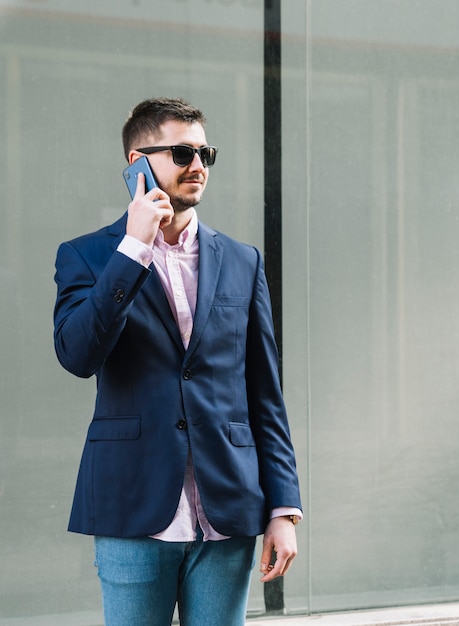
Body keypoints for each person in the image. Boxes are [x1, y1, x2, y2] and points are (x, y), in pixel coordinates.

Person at [53, 97, 302, 626]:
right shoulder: (87, 256)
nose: (199, 166)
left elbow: (265, 394)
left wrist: (283, 509)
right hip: (133, 507)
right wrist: (134, 248)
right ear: (136, 163)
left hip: (228, 510)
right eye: (183, 152)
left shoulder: (241, 259)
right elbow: (77, 355)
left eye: (206, 152)